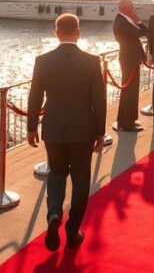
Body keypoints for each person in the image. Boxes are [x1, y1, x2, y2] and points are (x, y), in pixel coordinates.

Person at [25, 14, 106, 251]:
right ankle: (73, 230)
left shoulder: (43, 60)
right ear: (79, 33)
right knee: (81, 179)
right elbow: (98, 100)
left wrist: (31, 127)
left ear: (56, 32)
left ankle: (53, 215)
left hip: (53, 128)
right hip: (83, 129)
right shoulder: (92, 61)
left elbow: (35, 96)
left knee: (56, 172)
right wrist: (100, 132)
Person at [113, 0, 148, 132]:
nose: (133, 8)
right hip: (128, 59)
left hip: (131, 58)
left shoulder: (125, 20)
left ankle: (130, 119)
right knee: (129, 91)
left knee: (132, 90)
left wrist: (136, 21)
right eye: (131, 6)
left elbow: (143, 32)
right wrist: (138, 21)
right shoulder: (122, 22)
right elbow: (142, 32)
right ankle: (125, 122)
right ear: (124, 7)